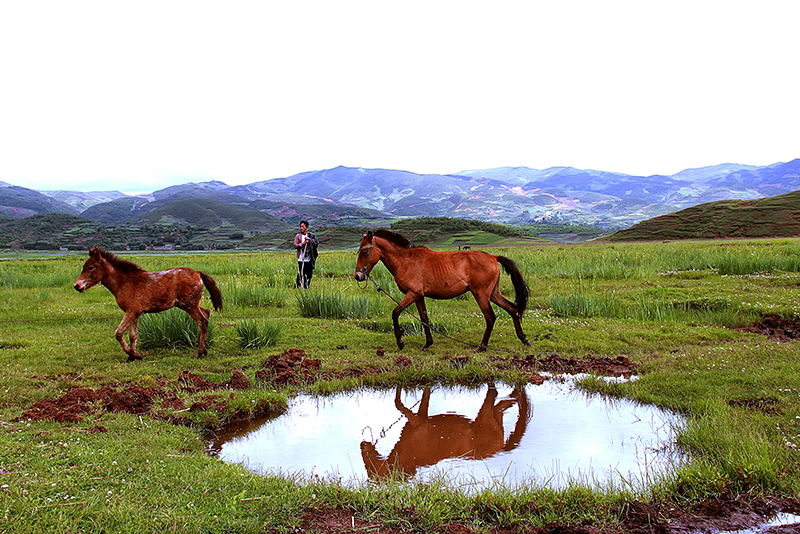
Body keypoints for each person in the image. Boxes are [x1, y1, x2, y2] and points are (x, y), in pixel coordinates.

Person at [293, 220, 319, 288]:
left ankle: (307, 286)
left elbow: (316, 243)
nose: (301, 228)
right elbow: (295, 245)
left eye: (303, 226)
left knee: (309, 274)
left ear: (306, 227)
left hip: (309, 258)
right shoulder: (298, 236)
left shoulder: (311, 236)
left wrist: (309, 240)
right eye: (300, 226)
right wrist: (303, 243)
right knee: (301, 273)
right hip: (301, 258)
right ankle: (298, 286)